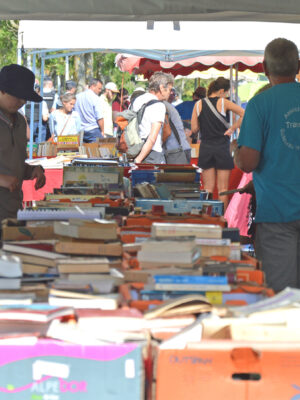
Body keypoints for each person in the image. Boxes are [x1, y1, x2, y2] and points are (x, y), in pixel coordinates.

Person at [233, 37, 300, 293]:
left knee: (281, 297)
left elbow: (248, 161)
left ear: (264, 68)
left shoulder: (260, 104)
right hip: (278, 211)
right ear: (298, 66)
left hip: (276, 214)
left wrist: (235, 153)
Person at [0, 64, 46, 223]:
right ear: (2, 90)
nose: (23, 102)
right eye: (18, 96)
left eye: (25, 97)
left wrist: (31, 170)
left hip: (12, 210)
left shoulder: (20, 121)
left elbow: (14, 163)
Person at [191, 77, 244, 210]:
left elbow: (194, 129)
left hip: (206, 148)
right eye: (227, 93)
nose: (227, 95)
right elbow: (244, 113)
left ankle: (208, 220)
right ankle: (223, 221)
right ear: (221, 91)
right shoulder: (223, 102)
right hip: (222, 147)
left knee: (207, 189)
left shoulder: (198, 104)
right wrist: (232, 128)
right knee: (223, 190)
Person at [132, 71, 174, 164]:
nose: (170, 93)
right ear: (162, 88)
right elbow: (152, 138)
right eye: (169, 89)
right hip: (151, 155)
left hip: (135, 149)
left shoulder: (137, 100)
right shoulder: (158, 105)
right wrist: (138, 160)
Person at [74, 78, 104, 143]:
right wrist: (102, 131)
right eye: (99, 88)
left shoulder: (77, 97)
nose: (100, 91)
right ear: (93, 86)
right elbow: (99, 117)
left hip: (80, 130)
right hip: (93, 130)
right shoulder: (96, 98)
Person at [163, 99, 191, 164]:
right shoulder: (168, 106)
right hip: (182, 148)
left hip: (175, 152)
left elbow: (167, 132)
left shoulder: (161, 105)